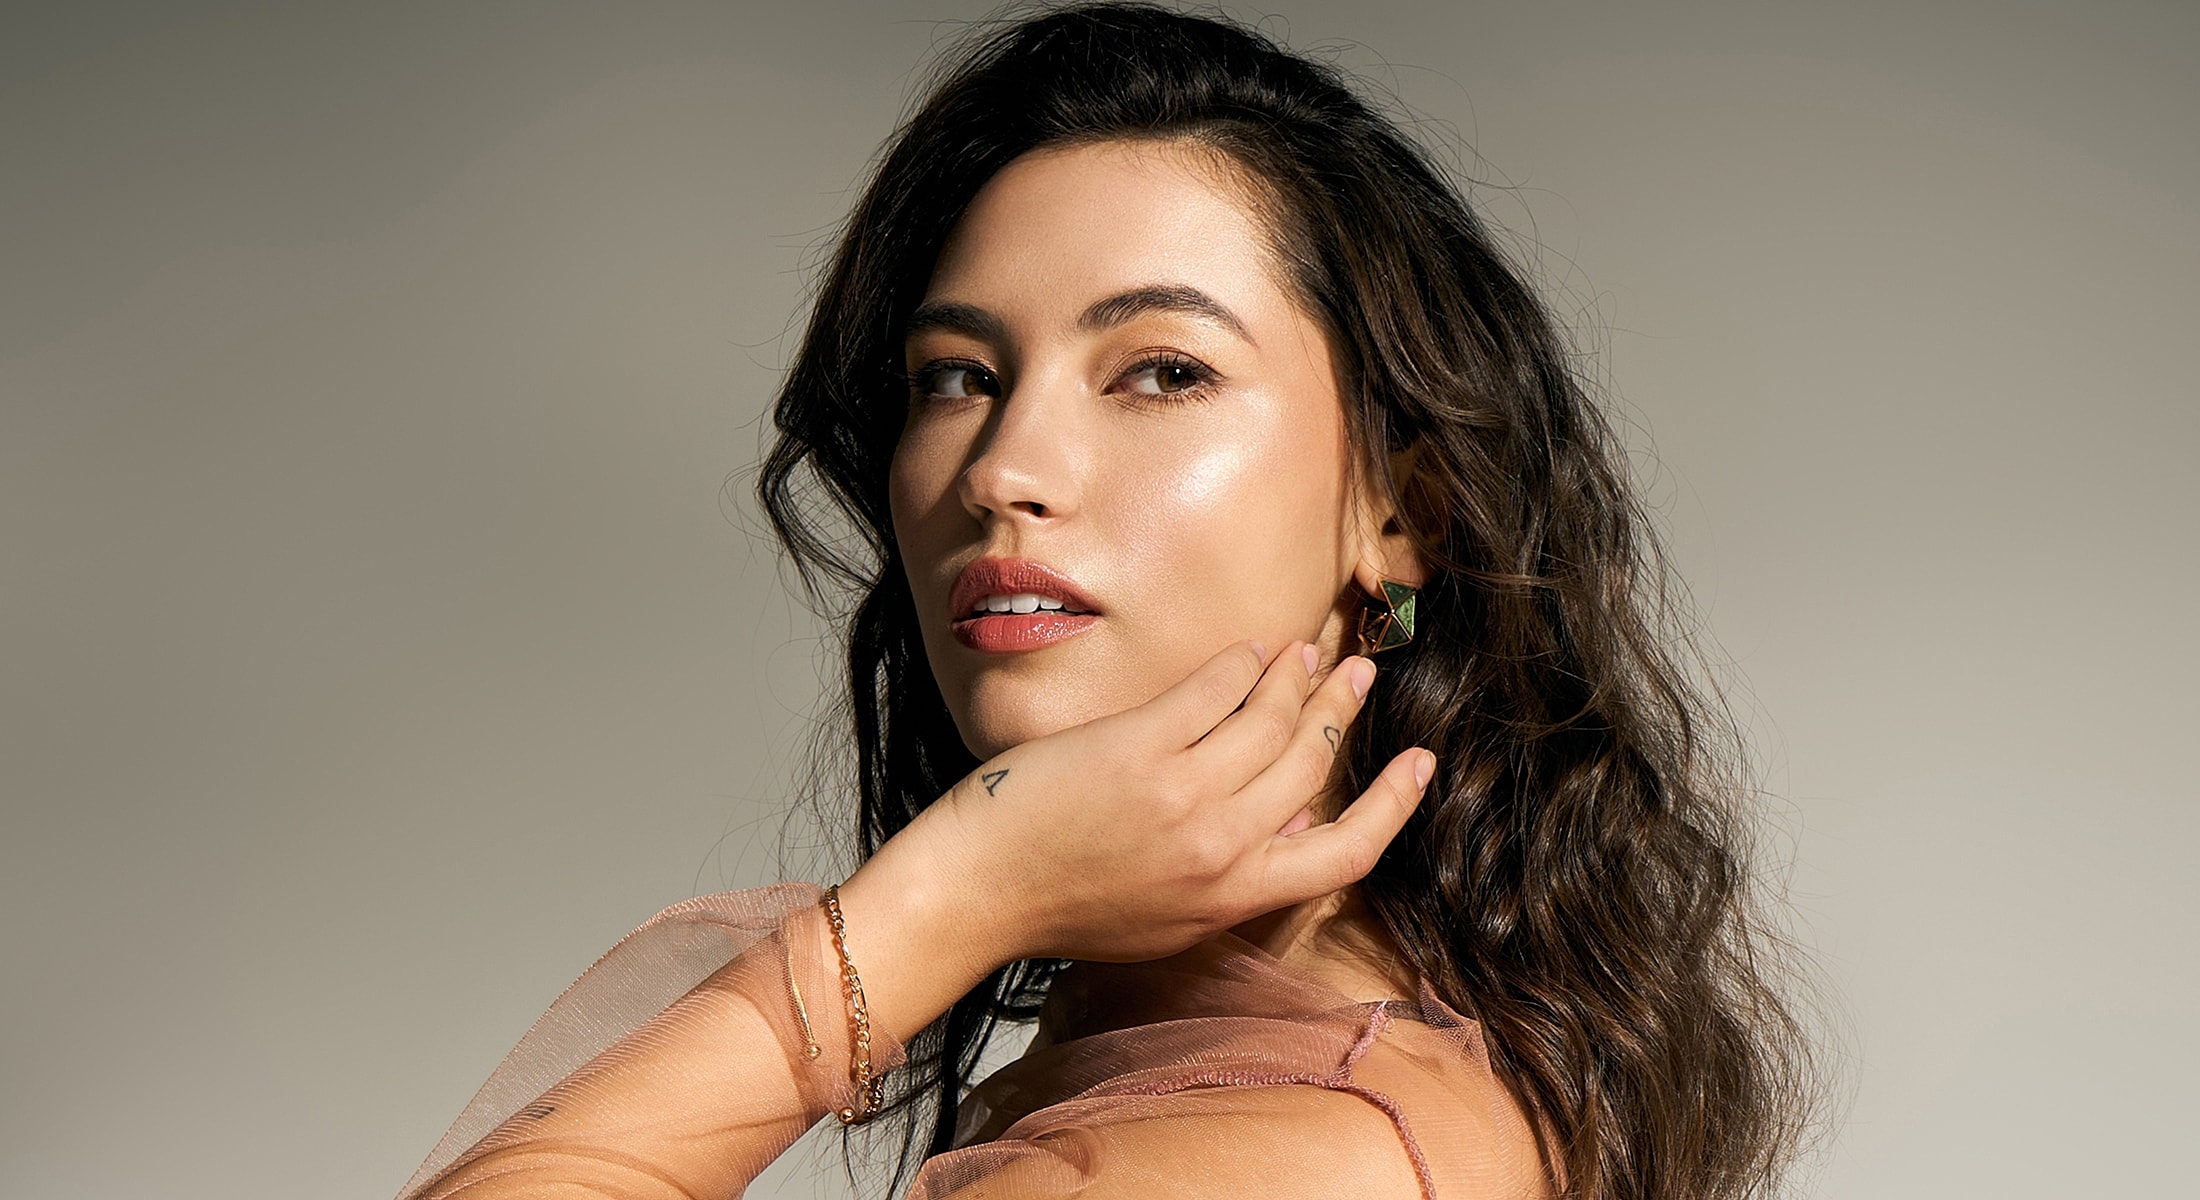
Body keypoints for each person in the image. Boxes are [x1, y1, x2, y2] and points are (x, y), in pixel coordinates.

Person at [396, 5, 1814, 1198]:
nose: (1004, 468)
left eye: (1162, 371)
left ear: (1406, 511)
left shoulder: (1267, 1153)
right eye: (955, 376)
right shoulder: (1257, 1067)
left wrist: (953, 895)